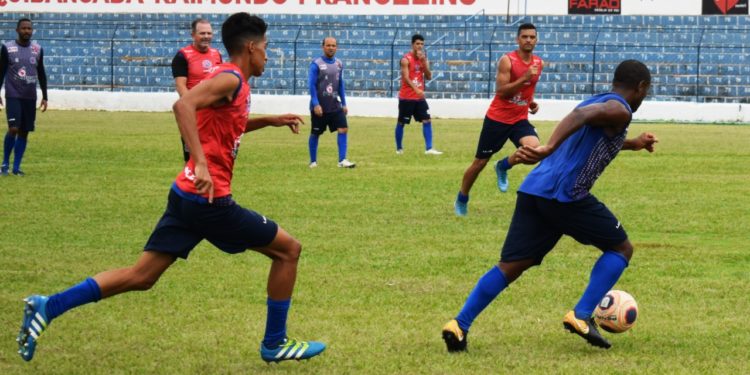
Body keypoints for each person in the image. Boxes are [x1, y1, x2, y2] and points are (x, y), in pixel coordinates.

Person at [16, 13, 326, 363]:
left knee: (142, 276)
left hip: (186, 196)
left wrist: (268, 121)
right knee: (289, 250)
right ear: (251, 47)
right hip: (209, 200)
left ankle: (48, 305)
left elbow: (224, 124)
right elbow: (183, 105)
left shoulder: (235, 82)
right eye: (267, 48)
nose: (269, 56)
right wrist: (202, 164)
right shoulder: (229, 77)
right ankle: (275, 343)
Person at [442, 60, 658, 352]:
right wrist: (549, 147)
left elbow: (598, 136)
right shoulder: (620, 109)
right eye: (647, 91)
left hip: (535, 190)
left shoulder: (602, 102)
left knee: (512, 265)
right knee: (621, 248)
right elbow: (582, 116)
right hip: (566, 195)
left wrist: (635, 143)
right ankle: (581, 315)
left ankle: (459, 325)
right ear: (641, 87)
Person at [454, 23, 543, 217]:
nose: (528, 40)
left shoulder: (538, 62)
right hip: (498, 119)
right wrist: (524, 78)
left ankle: (503, 166)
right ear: (517, 40)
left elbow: (528, 89)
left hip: (519, 119)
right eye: (524, 37)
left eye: (532, 37)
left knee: (535, 150)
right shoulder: (507, 60)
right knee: (479, 163)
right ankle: (462, 197)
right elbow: (501, 91)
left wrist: (531, 103)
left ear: (536, 40)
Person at [0, 18, 48, 176]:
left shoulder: (38, 49)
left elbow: (41, 73)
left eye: (29, 28)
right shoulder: (7, 48)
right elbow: (1, 72)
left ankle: (16, 168)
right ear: (17, 30)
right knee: (13, 128)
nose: (27, 31)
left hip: (30, 96)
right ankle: (5, 164)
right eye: (23, 28)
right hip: (13, 95)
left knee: (24, 131)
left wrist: (45, 96)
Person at [171, 18, 223, 162]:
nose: (206, 36)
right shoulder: (182, 56)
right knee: (192, 158)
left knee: (214, 157)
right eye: (202, 33)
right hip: (194, 114)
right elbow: (181, 86)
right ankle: (187, 183)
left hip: (213, 115)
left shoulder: (217, 54)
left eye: (209, 33)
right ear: (193, 34)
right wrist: (191, 108)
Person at [308, 37, 355, 168]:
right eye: (328, 45)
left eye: (333, 45)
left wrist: (344, 103)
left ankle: (342, 160)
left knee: (343, 129)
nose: (331, 48)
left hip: (335, 105)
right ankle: (313, 161)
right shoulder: (316, 64)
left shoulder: (339, 64)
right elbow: (311, 85)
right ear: (323, 47)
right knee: (315, 133)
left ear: (337, 47)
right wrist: (316, 103)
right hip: (320, 107)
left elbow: (340, 85)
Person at [394, 34, 442, 155]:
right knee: (401, 122)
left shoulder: (423, 59)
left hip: (419, 97)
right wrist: (415, 89)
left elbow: (429, 76)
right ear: (412, 44)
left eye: (421, 44)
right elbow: (405, 77)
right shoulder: (406, 59)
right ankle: (399, 148)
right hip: (407, 97)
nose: (420, 46)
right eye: (417, 44)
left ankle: (429, 148)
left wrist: (424, 62)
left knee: (427, 120)